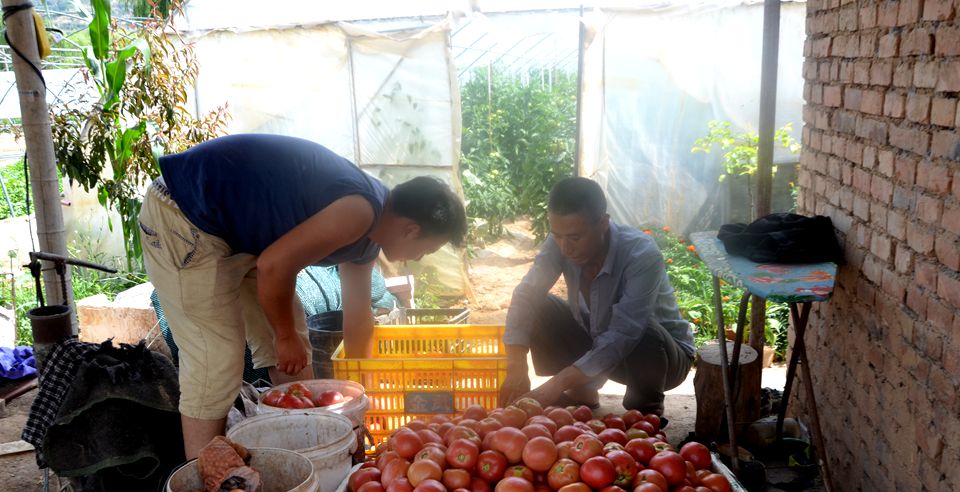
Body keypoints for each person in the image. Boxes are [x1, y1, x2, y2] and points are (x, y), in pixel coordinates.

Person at [139, 134, 467, 459]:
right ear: (410, 230)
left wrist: (362, 395)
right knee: (217, 359)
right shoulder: (360, 211)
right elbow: (273, 266)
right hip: (184, 213)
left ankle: (306, 451)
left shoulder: (370, 235)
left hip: (234, 234)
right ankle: (201, 473)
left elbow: (358, 320)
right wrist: (283, 337)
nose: (419, 258)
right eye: (427, 250)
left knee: (294, 341)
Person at [499, 177, 694, 415]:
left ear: (603, 223)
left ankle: (645, 413)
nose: (565, 248)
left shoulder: (641, 253)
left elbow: (625, 332)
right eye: (557, 236)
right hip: (601, 342)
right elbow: (526, 294)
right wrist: (516, 364)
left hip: (662, 359)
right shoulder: (562, 240)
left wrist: (556, 384)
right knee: (539, 305)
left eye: (575, 238)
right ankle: (582, 392)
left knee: (644, 328)